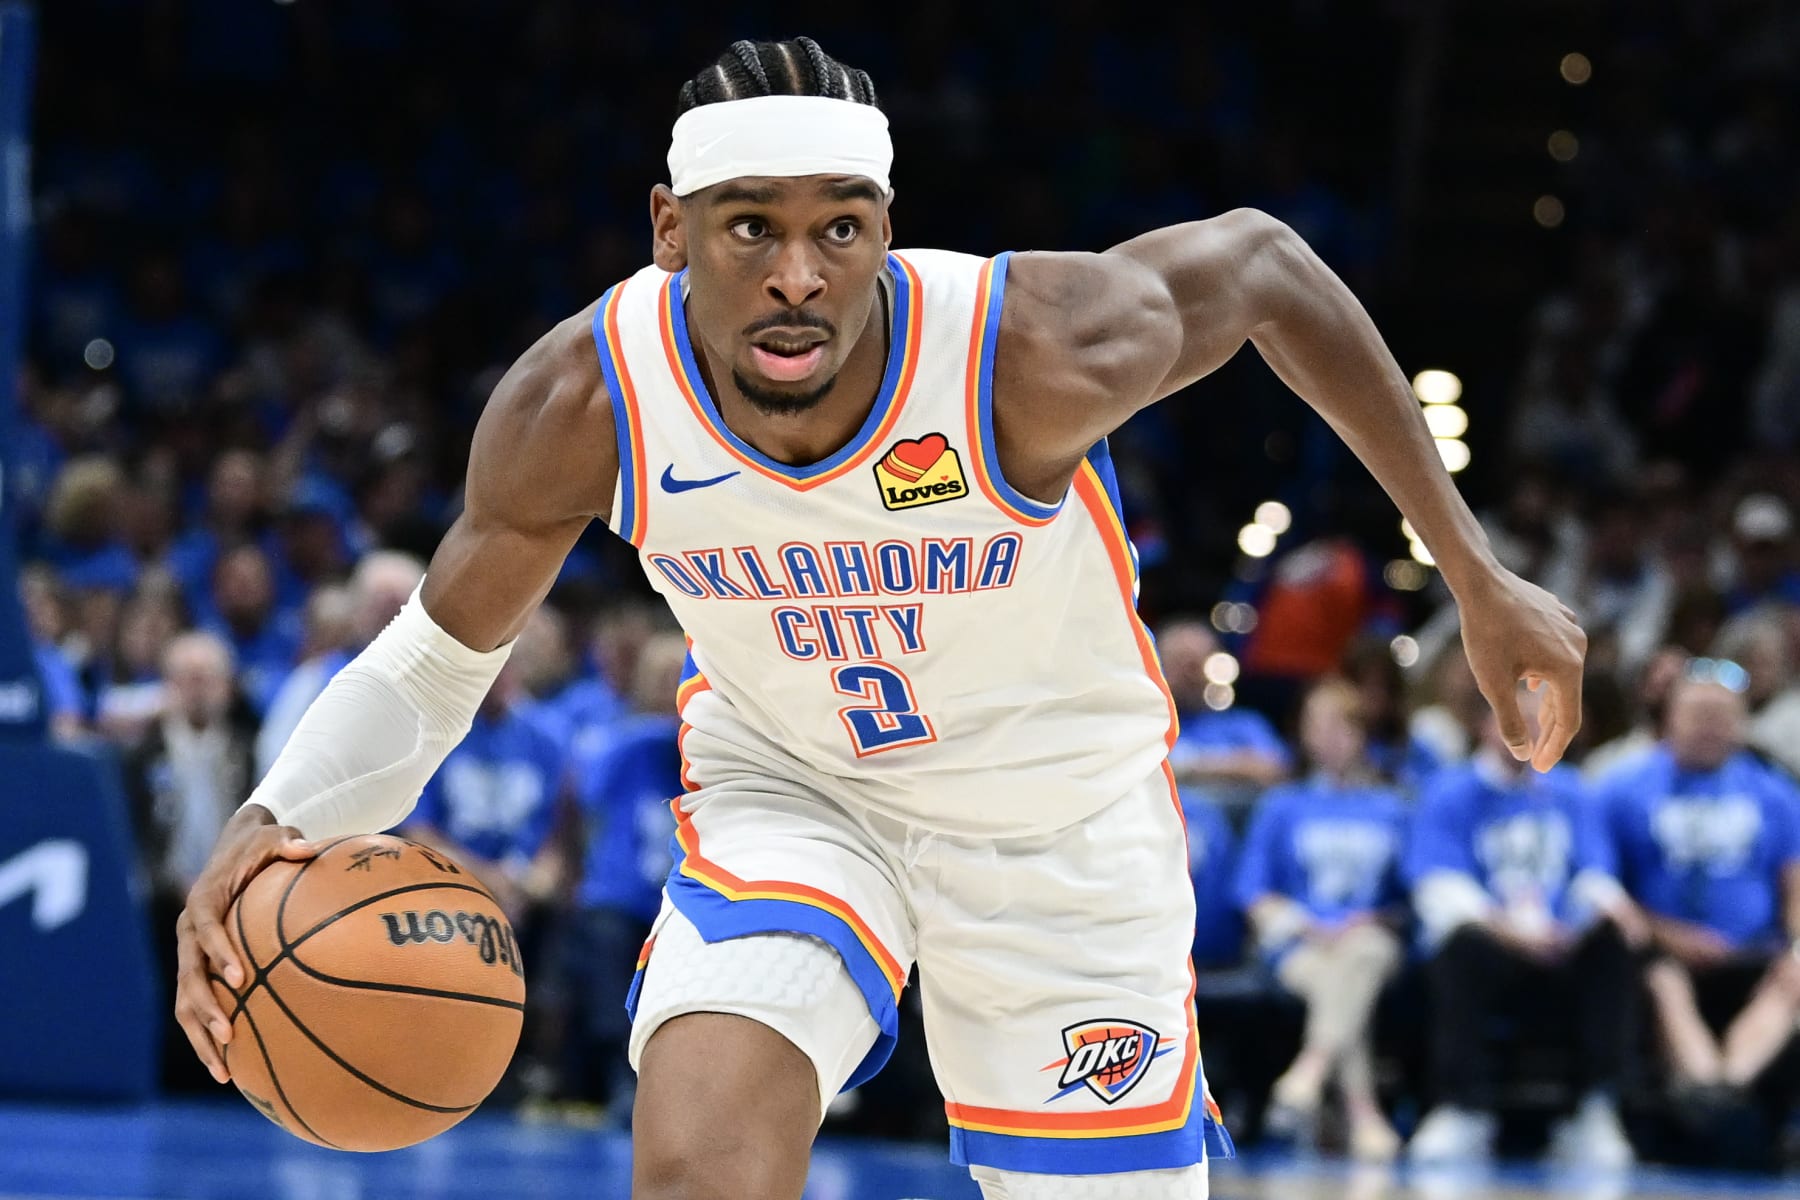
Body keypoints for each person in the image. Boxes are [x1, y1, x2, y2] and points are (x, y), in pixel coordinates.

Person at [173, 38, 1587, 1199]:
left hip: (1056, 820)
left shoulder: (1020, 347)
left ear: (885, 231)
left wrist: (1473, 572)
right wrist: (270, 819)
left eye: (838, 230)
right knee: (699, 1162)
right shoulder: (588, 401)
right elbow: (435, 663)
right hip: (797, 790)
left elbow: (1270, 268)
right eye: (751, 231)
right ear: (669, 230)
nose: (800, 276)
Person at [1404, 689, 1643, 1169]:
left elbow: (1595, 874)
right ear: (1485, 725)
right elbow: (1437, 884)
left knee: (1614, 941)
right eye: (1517, 718)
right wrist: (1509, 931)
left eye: (1540, 719)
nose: (1530, 729)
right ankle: (1463, 1109)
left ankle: (1592, 1110)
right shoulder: (1449, 792)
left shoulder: (1574, 791)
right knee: (1461, 944)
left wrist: (1585, 922)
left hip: (1560, 945)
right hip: (1488, 945)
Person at [1597, 669, 1800, 1102]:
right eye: (1699, 714)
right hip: (1661, 952)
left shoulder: (1774, 792)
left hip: (1755, 951)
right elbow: (1604, 887)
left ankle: (1726, 1086)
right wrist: (1667, 936)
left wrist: (1796, 946)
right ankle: (1707, 1082)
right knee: (1665, 985)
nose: (1711, 727)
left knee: (1793, 979)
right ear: (1669, 718)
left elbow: (1795, 884)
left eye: (1723, 716)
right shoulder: (1622, 788)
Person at [1233, 679, 1409, 1162]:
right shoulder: (1282, 805)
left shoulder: (1390, 807)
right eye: (1318, 725)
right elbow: (1251, 892)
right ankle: (1364, 1112)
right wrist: (1309, 926)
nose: (1329, 737)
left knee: (1362, 955)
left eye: (1340, 725)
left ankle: (1309, 1072)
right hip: (1300, 945)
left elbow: (1410, 896)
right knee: (1341, 978)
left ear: (1360, 733)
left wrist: (1366, 920)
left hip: (1369, 939)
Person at [559, 631, 687, 1113]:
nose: (668, 690)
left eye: (678, 677)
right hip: (625, 896)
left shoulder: (720, 750)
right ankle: (621, 1073)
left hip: (694, 900)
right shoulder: (618, 742)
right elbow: (582, 776)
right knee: (606, 932)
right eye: (657, 677)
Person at [1158, 617, 1291, 796]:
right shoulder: (1146, 727)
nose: (1189, 676)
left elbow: (1275, 768)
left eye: (1195, 665)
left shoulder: (1245, 724)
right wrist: (1235, 765)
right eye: (1178, 663)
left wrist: (1187, 767)